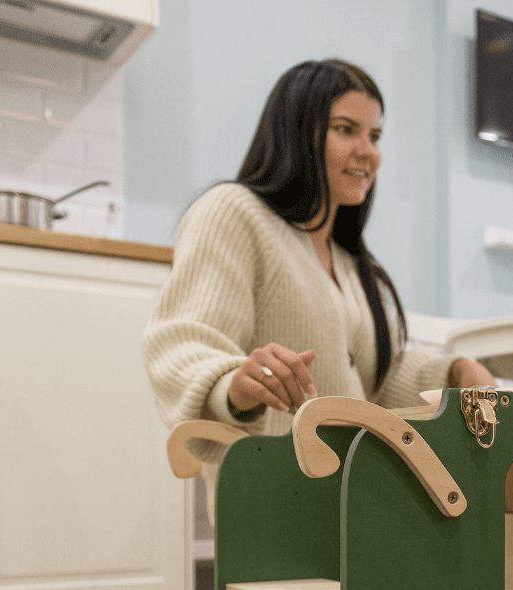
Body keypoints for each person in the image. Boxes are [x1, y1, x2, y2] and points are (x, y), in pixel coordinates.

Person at [143, 58, 494, 524]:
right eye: (346, 129)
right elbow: (183, 340)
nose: (368, 152)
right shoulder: (234, 212)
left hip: (353, 503)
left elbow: (375, 380)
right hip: (278, 506)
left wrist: (453, 372)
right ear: (296, 132)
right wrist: (236, 384)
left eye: (375, 136)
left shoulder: (351, 263)